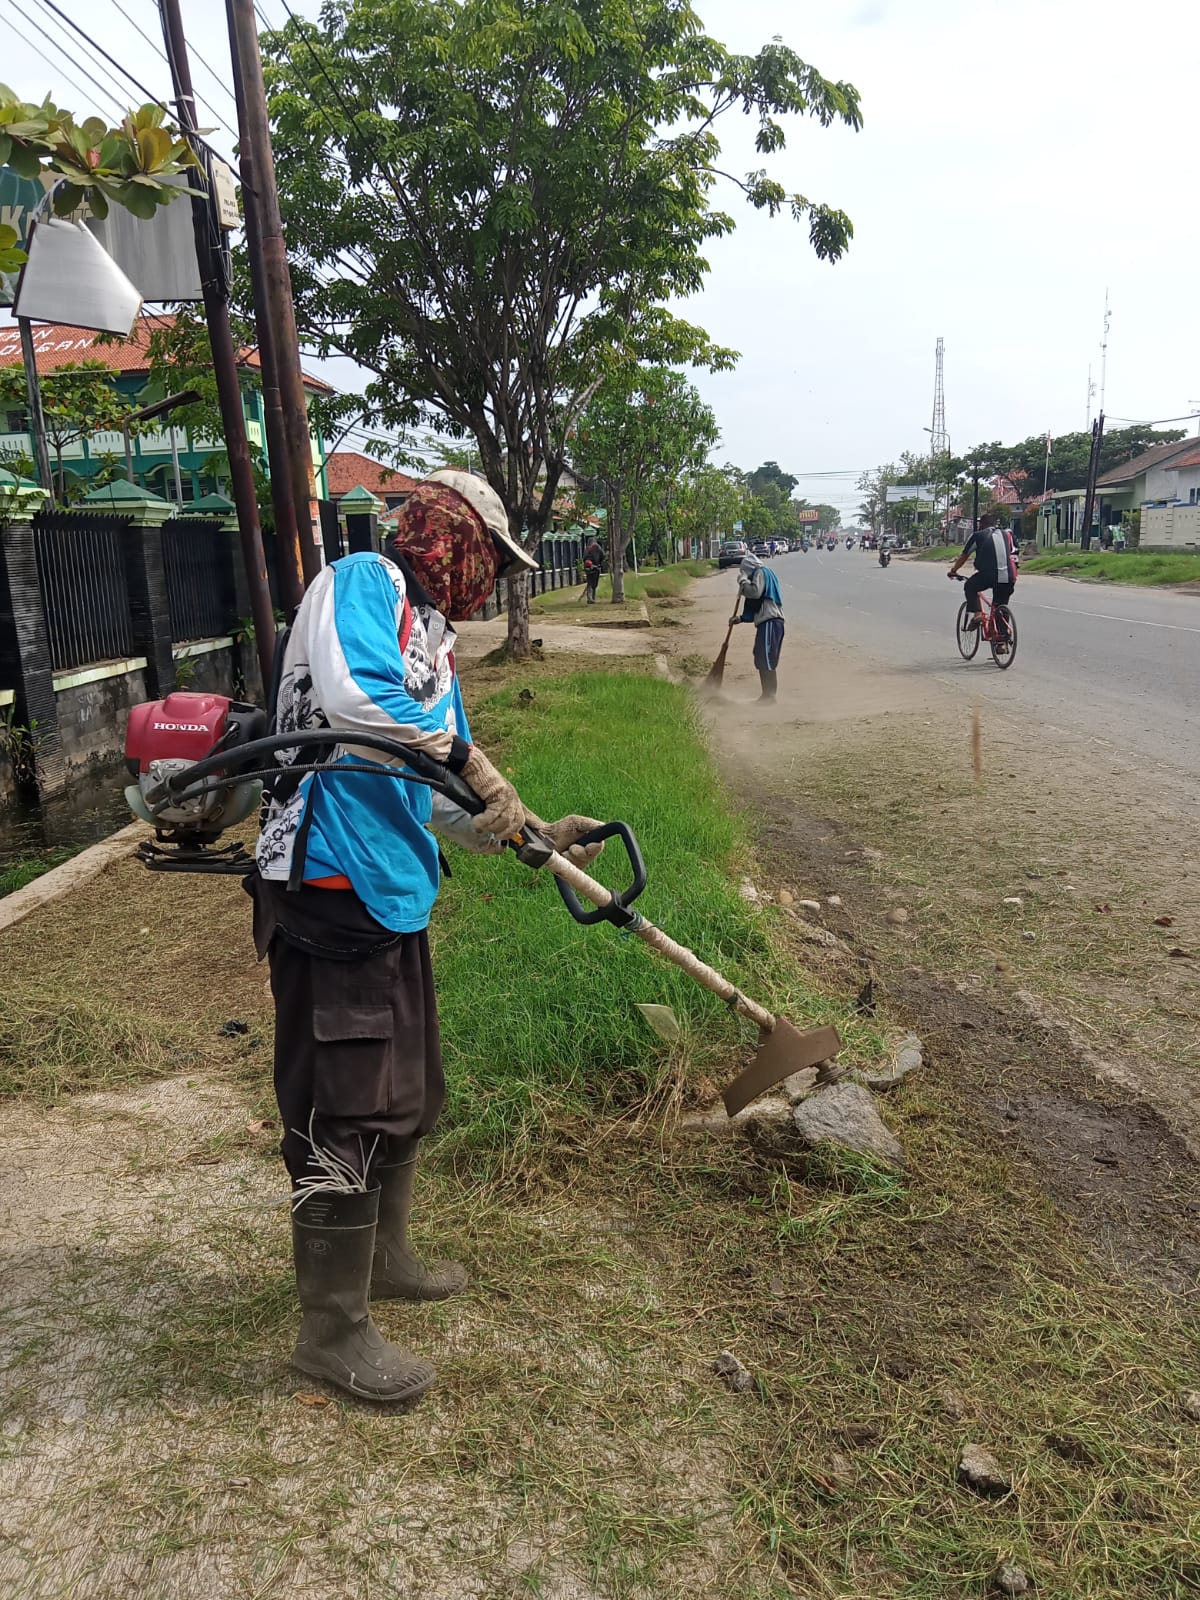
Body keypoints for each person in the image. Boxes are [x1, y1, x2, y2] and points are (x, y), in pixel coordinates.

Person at [247, 468, 605, 1406]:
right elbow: (356, 703)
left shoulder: (435, 646)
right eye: (490, 556)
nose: (491, 579)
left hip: (395, 890)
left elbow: (443, 794)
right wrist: (467, 758)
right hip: (327, 877)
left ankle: (387, 1258)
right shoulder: (360, 582)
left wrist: (530, 829)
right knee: (346, 1104)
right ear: (451, 534)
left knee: (408, 1088)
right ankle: (331, 1330)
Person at [729, 551, 785, 701]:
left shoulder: (761, 572)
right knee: (761, 656)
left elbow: (754, 593)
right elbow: (756, 603)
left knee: (766, 658)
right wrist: (740, 618)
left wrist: (743, 582)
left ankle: (769, 696)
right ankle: (766, 695)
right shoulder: (765, 573)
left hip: (770, 621)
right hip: (768, 622)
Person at [947, 512, 1016, 633]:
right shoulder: (1007, 534)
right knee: (1000, 605)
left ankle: (978, 614)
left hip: (988, 575)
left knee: (970, 586)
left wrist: (954, 570)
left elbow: (964, 555)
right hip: (1008, 576)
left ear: (981, 525)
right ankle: (1002, 638)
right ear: (995, 524)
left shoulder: (978, 536)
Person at [583, 534, 604, 604]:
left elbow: (584, 558)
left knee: (589, 582)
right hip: (595, 567)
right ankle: (592, 598)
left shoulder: (587, 548)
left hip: (588, 567)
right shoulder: (597, 547)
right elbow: (602, 556)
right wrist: (600, 563)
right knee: (594, 583)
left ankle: (589, 598)